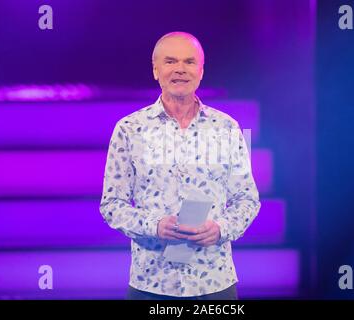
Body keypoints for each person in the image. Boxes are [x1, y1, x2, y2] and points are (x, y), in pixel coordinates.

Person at [99, 31, 260, 300]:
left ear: (201, 71)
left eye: (189, 62)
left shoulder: (227, 128)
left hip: (214, 282)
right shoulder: (129, 129)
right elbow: (112, 204)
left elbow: (247, 199)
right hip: (151, 283)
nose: (180, 70)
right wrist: (155, 225)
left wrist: (220, 228)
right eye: (171, 61)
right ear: (156, 70)